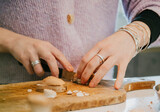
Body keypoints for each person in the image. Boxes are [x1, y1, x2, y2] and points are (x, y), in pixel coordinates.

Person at [0, 0, 160, 88]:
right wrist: (11, 41)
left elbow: (154, 6)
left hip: (98, 94)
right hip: (9, 93)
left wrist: (132, 35)